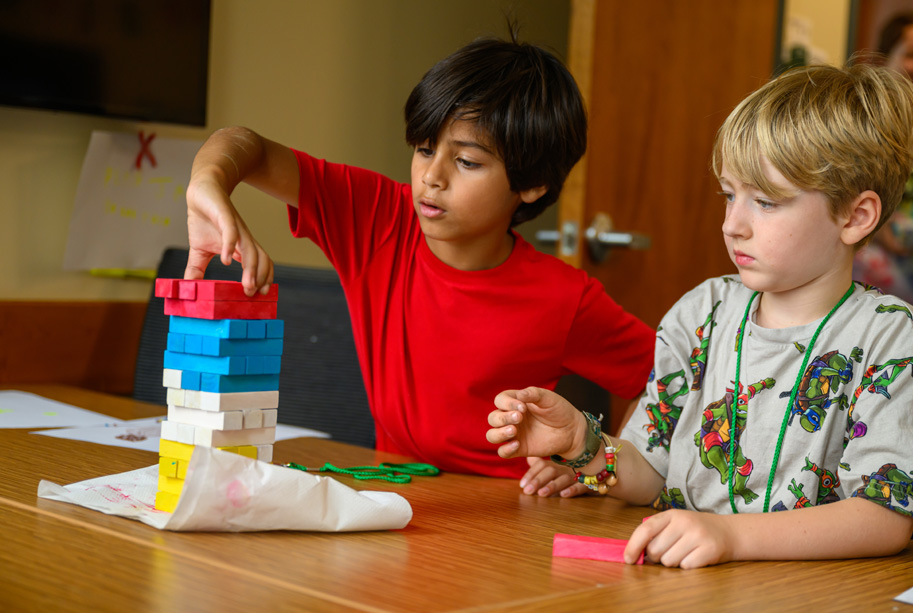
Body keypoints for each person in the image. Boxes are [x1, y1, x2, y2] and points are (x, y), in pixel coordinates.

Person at [487, 62, 913, 569]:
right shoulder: (701, 313)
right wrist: (584, 445)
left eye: (767, 202)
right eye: (730, 196)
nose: (733, 225)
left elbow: (884, 518)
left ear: (855, 217)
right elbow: (652, 474)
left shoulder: (888, 334)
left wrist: (729, 536)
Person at [183, 33, 655, 484]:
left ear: (532, 183)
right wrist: (207, 184)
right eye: (425, 148)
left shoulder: (565, 297)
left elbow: (668, 381)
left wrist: (594, 459)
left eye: (467, 162)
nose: (432, 176)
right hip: (398, 504)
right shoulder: (374, 219)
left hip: (511, 522)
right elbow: (244, 145)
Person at [853, 12, 913, 320]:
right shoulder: (870, 123)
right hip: (871, 272)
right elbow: (848, 196)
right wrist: (883, 234)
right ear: (884, 60)